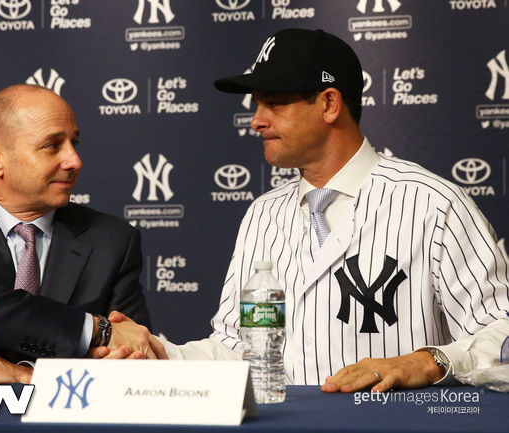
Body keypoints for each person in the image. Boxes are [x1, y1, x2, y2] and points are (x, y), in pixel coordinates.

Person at [145, 28, 509, 393]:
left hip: (396, 423)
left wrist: (428, 362)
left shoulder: (433, 203)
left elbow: (501, 331)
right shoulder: (263, 213)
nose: (256, 120)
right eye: (256, 104)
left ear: (329, 104)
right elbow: (237, 349)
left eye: (274, 103)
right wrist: (155, 353)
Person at [0, 84, 165, 384]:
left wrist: (25, 376)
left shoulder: (112, 239)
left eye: (74, 143)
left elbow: (132, 360)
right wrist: (93, 329)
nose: (74, 161)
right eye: (52, 146)